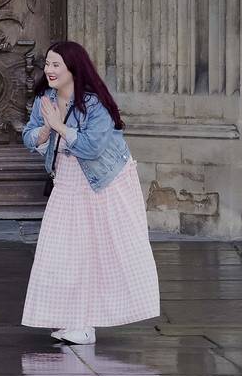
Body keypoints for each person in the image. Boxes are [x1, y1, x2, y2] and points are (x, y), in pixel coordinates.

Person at [20, 41, 160, 345]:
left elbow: (92, 147)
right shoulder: (45, 98)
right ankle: (72, 319)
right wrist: (45, 129)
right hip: (67, 180)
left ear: (73, 68)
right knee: (60, 250)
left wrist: (59, 125)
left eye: (56, 64)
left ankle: (86, 325)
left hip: (104, 183)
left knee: (98, 253)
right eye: (47, 64)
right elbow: (29, 136)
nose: (49, 70)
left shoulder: (95, 104)